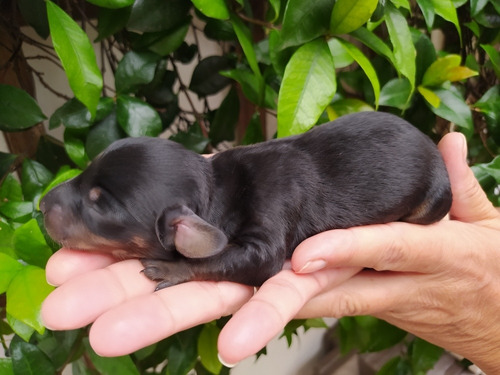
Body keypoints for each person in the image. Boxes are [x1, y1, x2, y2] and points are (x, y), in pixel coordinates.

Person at [41, 132, 500, 373]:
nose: (59, 200)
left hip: (415, 179)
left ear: (183, 231)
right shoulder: (231, 173)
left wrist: (190, 270)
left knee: (431, 196)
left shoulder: (261, 206)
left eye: (100, 204)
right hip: (378, 145)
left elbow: (260, 258)